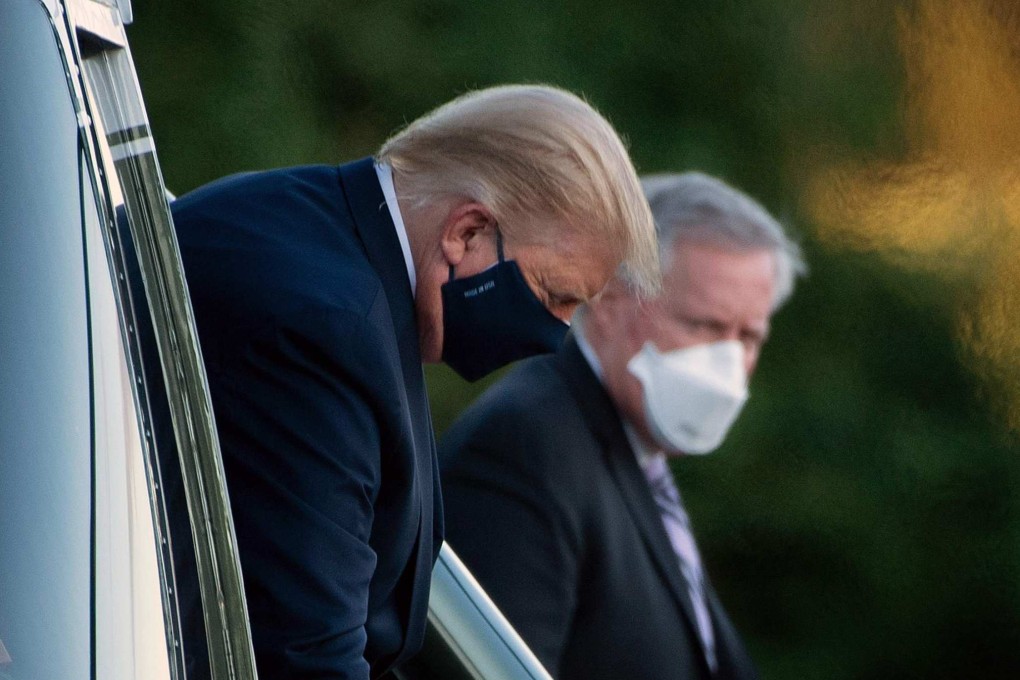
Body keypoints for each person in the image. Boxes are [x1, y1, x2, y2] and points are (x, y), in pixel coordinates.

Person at [163, 84, 660, 679]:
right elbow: (306, 657)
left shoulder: (314, 231)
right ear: (467, 231)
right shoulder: (332, 331)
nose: (557, 336)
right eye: (554, 296)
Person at [440, 172, 805, 680]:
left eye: (748, 337)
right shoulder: (527, 446)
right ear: (611, 299)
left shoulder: (631, 452)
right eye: (704, 326)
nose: (728, 362)